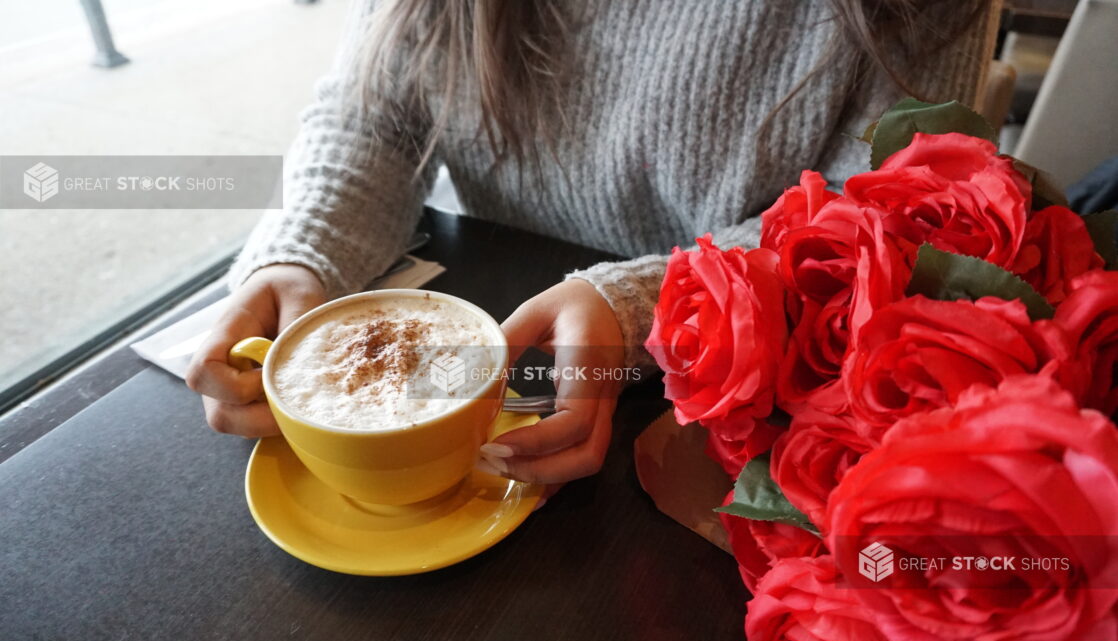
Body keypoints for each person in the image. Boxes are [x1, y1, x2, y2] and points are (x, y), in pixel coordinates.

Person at [187, 0, 999, 485]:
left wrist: (639, 300)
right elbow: (375, 114)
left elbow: (883, 214)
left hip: (728, 419)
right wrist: (307, 249)